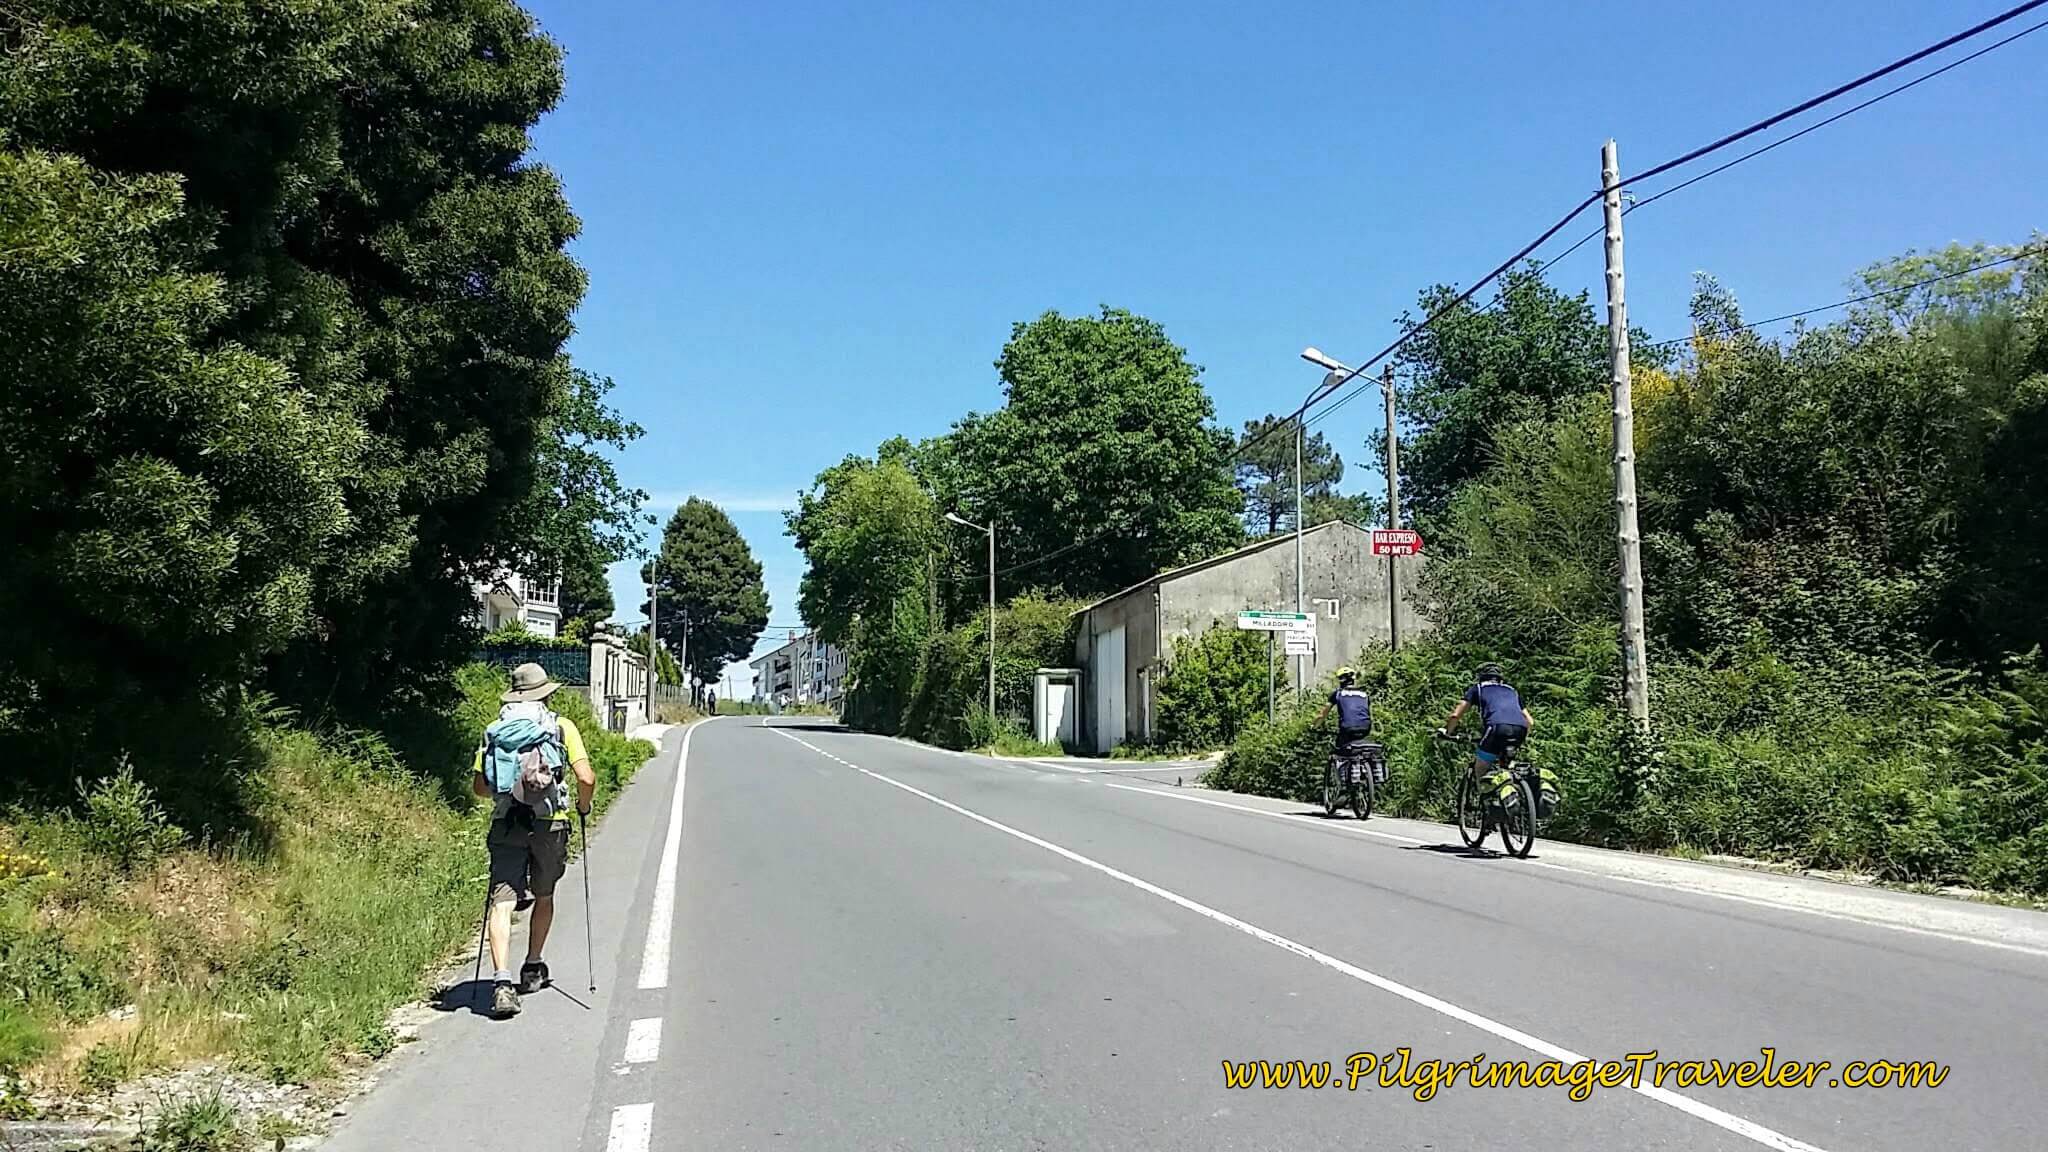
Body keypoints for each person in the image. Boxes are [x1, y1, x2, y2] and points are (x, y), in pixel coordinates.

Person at [472, 663, 596, 1017]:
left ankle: (500, 983)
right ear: (546, 693)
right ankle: (532, 966)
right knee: (544, 895)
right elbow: (586, 777)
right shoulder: (560, 726)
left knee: (502, 901)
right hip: (550, 824)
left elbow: (480, 787)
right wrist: (583, 808)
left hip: (506, 823)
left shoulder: (494, 731)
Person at [1441, 662, 1534, 777]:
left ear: (1481, 677)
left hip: (1496, 727)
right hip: (1521, 728)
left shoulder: (1478, 688)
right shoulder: (1512, 690)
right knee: (1507, 766)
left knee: (1481, 769)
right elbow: (1530, 721)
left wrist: (1447, 732)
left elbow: (1455, 715)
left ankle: (1482, 793)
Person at [1315, 666, 1375, 758]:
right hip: (1365, 728)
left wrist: (1315, 726)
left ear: (1341, 680)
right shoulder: (1364, 694)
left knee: (1339, 751)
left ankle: (1342, 770)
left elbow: (1323, 714)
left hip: (1347, 728)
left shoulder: (1338, 693)